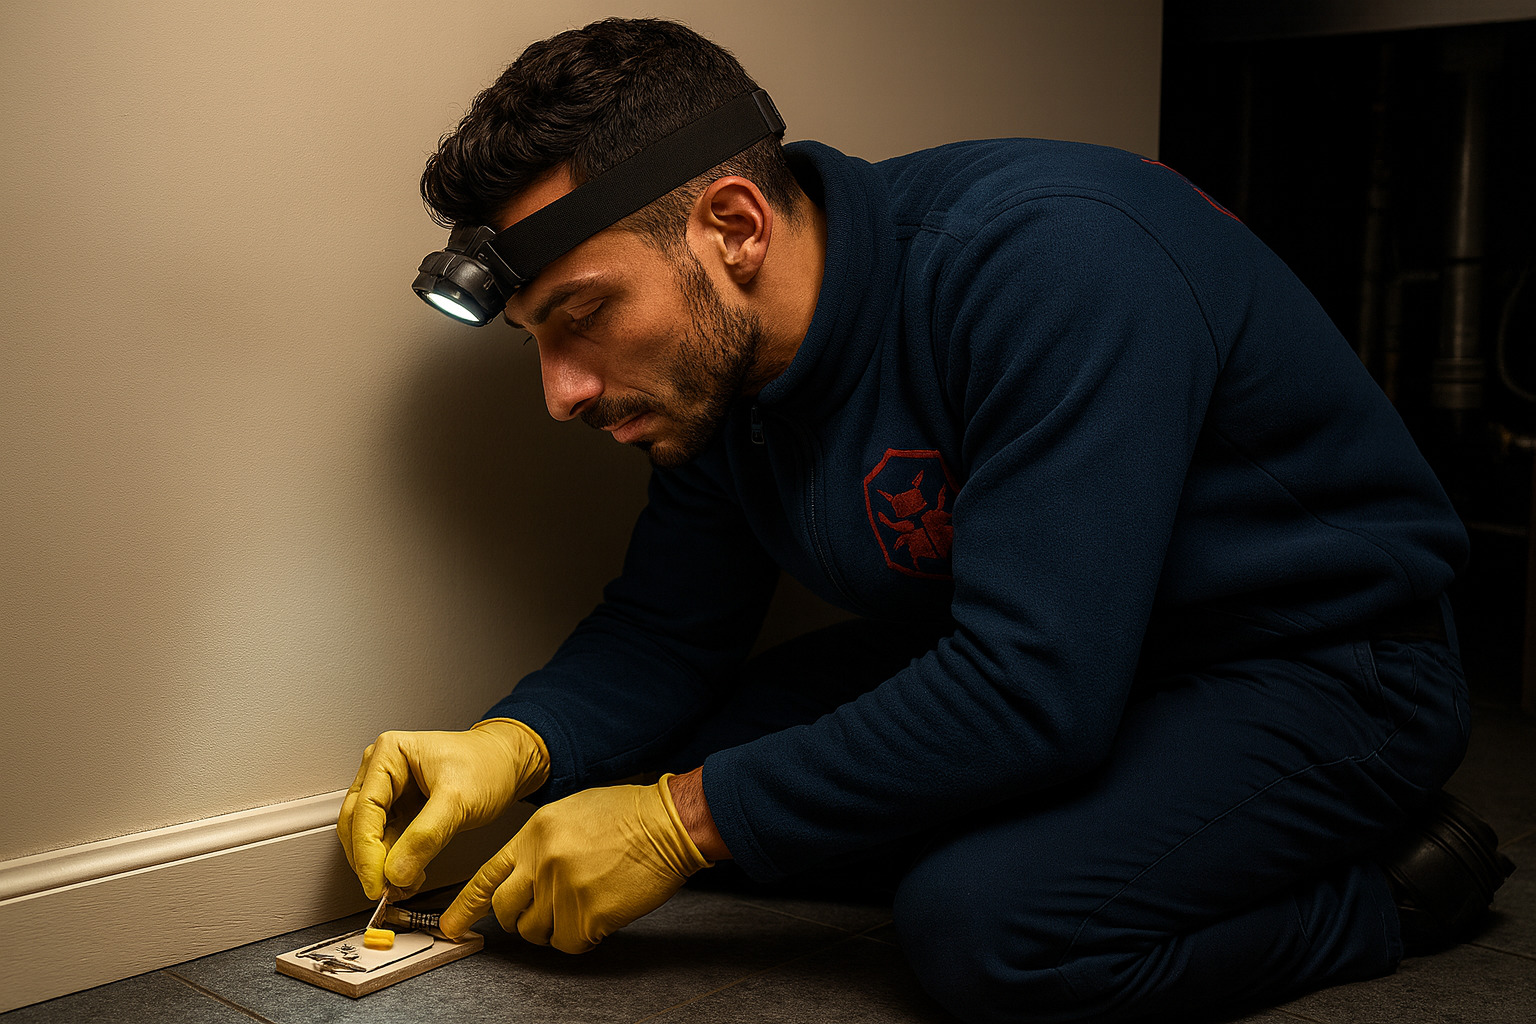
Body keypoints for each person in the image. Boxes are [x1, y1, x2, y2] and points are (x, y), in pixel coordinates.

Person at [336, 17, 1514, 1023]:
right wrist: (515, 743)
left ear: (734, 228)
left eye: (581, 315)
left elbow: (1032, 685)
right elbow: (667, 626)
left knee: (985, 926)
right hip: (1066, 656)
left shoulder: (1052, 257)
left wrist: (686, 824)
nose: (562, 393)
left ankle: (1392, 886)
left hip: (1320, 663)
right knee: (676, 759)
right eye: (537, 339)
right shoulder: (719, 374)